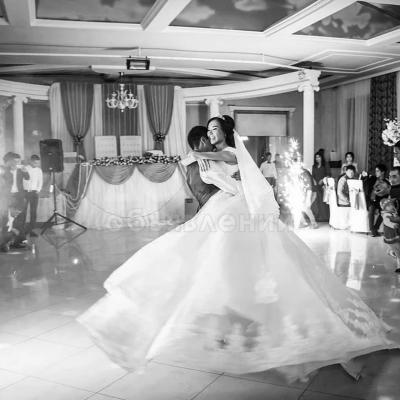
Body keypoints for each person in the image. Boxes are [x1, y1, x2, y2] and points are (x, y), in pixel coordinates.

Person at [78, 115, 396, 383]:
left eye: (215, 129)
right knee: (211, 262)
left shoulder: (230, 152)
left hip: (240, 209)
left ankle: (269, 324)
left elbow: (226, 162)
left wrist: (195, 154)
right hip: (224, 206)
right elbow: (214, 178)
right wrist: (197, 159)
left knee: (251, 264)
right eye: (209, 130)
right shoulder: (212, 155)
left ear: (226, 132)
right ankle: (230, 322)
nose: (211, 133)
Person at [2, 152, 29, 246]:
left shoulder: (21, 170)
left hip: (19, 196)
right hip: (8, 196)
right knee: (7, 218)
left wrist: (25, 171)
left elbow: (27, 178)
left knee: (20, 218)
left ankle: (20, 239)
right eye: (14, 161)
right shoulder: (5, 171)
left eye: (18, 161)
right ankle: (6, 241)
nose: (16, 163)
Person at [364, 164, 389, 237]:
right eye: (375, 171)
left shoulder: (386, 182)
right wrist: (366, 177)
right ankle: (372, 230)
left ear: (383, 172)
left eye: (378, 171)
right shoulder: (373, 179)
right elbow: (367, 186)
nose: (376, 172)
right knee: (371, 209)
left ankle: (375, 228)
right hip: (371, 200)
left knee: (384, 212)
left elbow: (386, 194)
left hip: (381, 201)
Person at [23, 154, 43, 237]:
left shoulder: (39, 170)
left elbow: (40, 181)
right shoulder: (24, 169)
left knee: (33, 212)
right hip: (25, 192)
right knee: (23, 212)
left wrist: (38, 190)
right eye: (35, 163)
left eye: (38, 163)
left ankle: (31, 230)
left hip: (34, 193)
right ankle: (22, 231)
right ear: (30, 161)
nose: (36, 164)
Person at [380, 195, 400, 273]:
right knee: (398, 251)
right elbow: (388, 222)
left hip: (394, 235)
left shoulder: (391, 213)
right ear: (385, 208)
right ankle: (392, 253)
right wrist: (393, 225)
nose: (391, 206)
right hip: (391, 236)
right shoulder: (386, 215)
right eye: (389, 206)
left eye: (391, 205)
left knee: (397, 250)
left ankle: (391, 251)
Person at [312, 151, 330, 222]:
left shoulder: (325, 165)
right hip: (316, 185)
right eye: (316, 157)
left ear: (321, 157)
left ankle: (324, 217)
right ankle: (317, 216)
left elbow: (329, 175)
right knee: (315, 200)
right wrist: (314, 182)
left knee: (323, 200)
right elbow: (313, 176)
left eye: (318, 157)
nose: (317, 158)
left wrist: (323, 180)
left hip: (323, 185)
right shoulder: (314, 166)